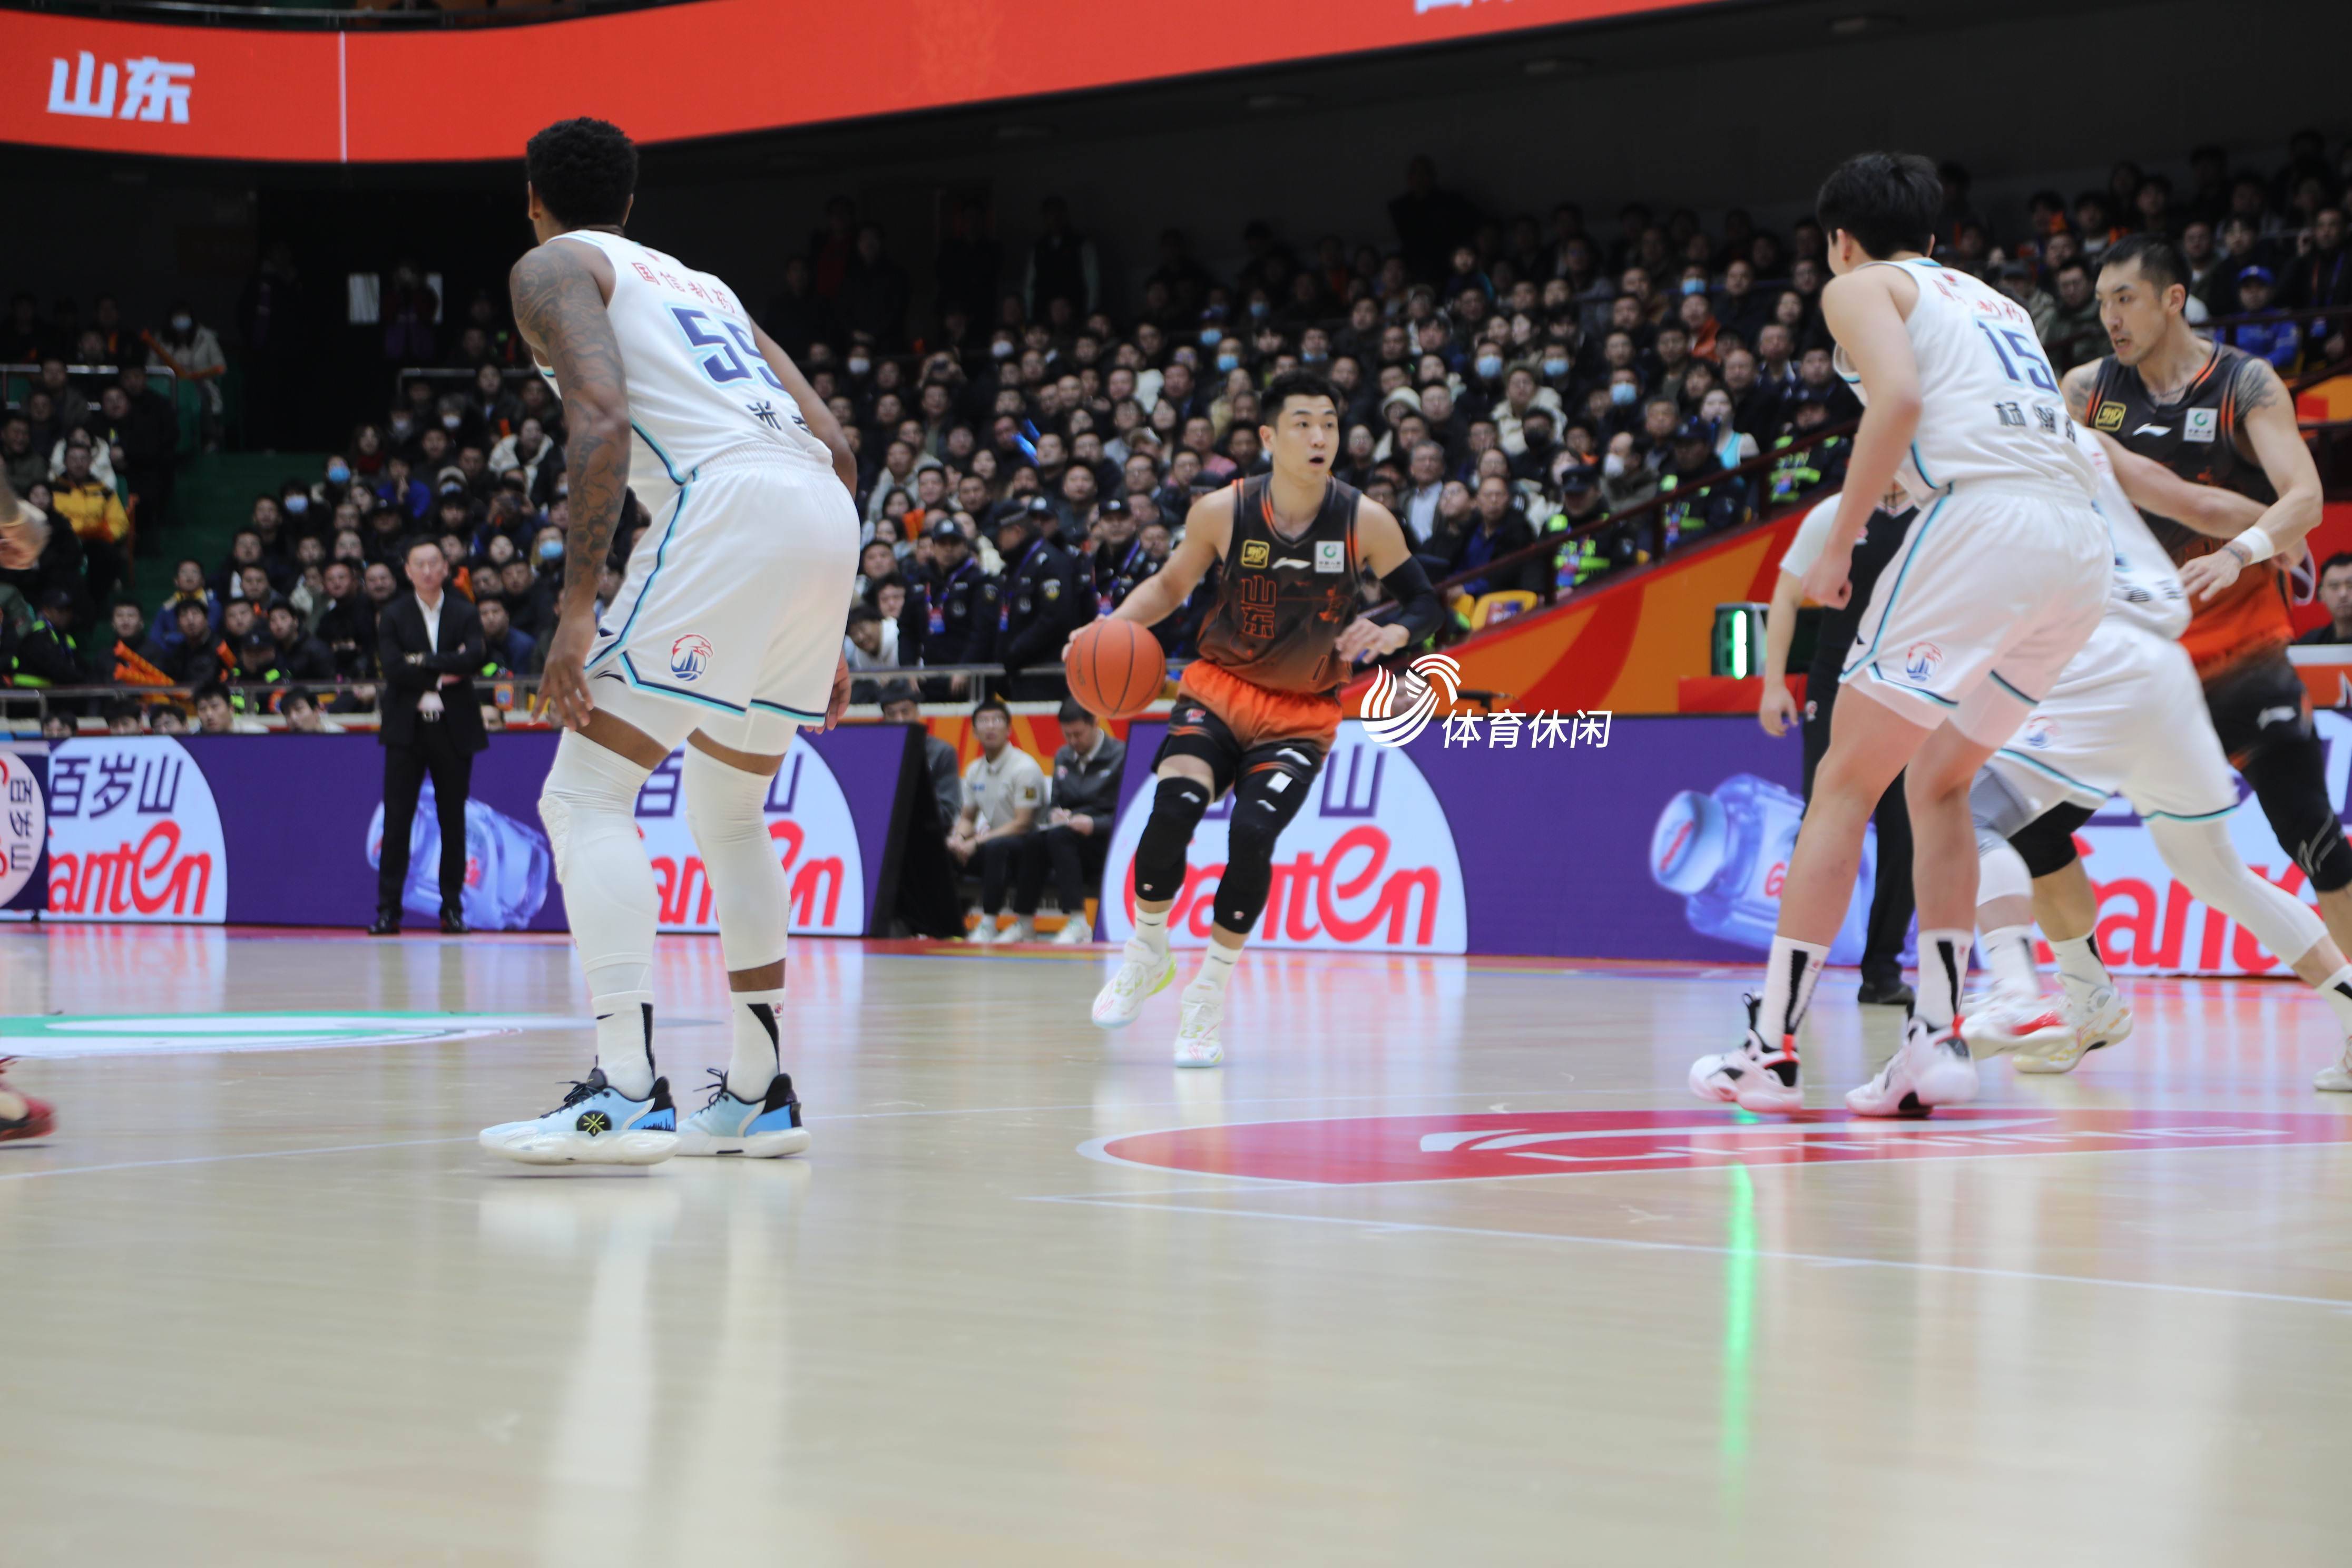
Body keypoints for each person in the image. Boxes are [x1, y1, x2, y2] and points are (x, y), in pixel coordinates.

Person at [1688, 152, 2109, 1119]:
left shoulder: (1857, 285)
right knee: (1939, 781)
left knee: (1841, 782)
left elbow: (1901, 401)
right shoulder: (1993, 304)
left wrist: (1838, 545)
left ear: (1838, 239)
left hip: (1984, 528)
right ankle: (1935, 1042)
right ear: (1932, 238)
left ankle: (1768, 1052)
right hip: (2074, 547)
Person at [478, 119, 858, 1167]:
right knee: (731, 814)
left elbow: (598, 417)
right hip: (821, 516)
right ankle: (757, 1091)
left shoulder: (554, 264)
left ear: (533, 197)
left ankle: (625, 1088)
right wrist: (824, 625)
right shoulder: (709, 287)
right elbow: (837, 443)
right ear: (634, 204)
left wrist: (572, 609)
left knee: (585, 795)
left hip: (723, 507)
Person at [1958, 439, 2352, 1093]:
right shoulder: (2074, 432)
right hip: (2165, 666)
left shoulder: (1966, 452)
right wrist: (2266, 534)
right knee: (2216, 875)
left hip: (2098, 667)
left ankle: (2020, 992)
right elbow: (2195, 501)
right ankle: (2089, 998)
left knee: (1968, 810)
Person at [1077, 370, 1441, 1065]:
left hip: (1302, 713)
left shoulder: (1364, 519)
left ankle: (1207, 995)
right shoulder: (1223, 510)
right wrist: (1105, 630)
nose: (1320, 436)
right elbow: (1170, 586)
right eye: (1303, 423)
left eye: (1330, 423)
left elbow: (1425, 603)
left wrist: (1395, 636)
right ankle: (1147, 950)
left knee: (1252, 832)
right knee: (1173, 807)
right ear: (1270, 436)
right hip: (1218, 690)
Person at [2063, 236, 2346, 954]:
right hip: (2128, 660)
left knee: (2315, 841)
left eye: (2124, 300)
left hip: (2238, 652)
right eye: (2102, 305)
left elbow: (2305, 498)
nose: (2111, 319)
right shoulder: (2085, 390)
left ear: (2173, 299)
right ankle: (2083, 994)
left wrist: (2242, 552)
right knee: (2026, 827)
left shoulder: (2243, 383)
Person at [1757, 486, 1918, 1007]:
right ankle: (1796, 973)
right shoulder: (1836, 514)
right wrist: (1773, 684)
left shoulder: (1941, 510)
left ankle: (1882, 972)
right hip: (1836, 683)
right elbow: (1785, 596)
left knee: (1905, 830)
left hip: (1909, 685)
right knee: (1823, 823)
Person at [375, 536, 487, 936]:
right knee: (399, 820)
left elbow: (475, 658)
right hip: (407, 730)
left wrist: (420, 662)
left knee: (453, 821)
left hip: (453, 729)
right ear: (407, 570)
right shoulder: (393, 614)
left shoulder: (464, 611)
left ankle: (452, 908)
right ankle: (388, 911)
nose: (426, 570)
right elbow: (393, 669)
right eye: (418, 564)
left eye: (433, 563)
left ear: (446, 567)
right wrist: (443, 669)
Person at [1025, 701, 1126, 945]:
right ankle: (1024, 922)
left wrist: (1095, 824)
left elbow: (1129, 815)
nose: (1073, 741)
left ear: (1095, 723)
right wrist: (1054, 815)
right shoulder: (1063, 756)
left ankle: (1078, 921)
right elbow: (1055, 803)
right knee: (1033, 840)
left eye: (1078, 734)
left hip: (1107, 841)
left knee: (1059, 838)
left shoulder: (1121, 755)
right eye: (1067, 735)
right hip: (1070, 836)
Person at [948, 695, 1047, 942]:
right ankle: (948, 922)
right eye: (983, 721)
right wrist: (959, 838)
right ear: (973, 731)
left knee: (996, 847)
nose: (990, 727)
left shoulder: (1024, 767)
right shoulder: (974, 770)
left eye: (997, 721)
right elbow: (968, 817)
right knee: (947, 852)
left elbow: (1023, 823)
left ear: (1009, 729)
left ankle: (989, 923)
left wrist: (978, 842)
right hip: (994, 842)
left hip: (1028, 846)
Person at [2295, 553, 2352, 644]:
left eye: (2350, 585)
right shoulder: (2310, 644)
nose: (2343, 594)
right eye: (2334, 586)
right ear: (2321, 594)